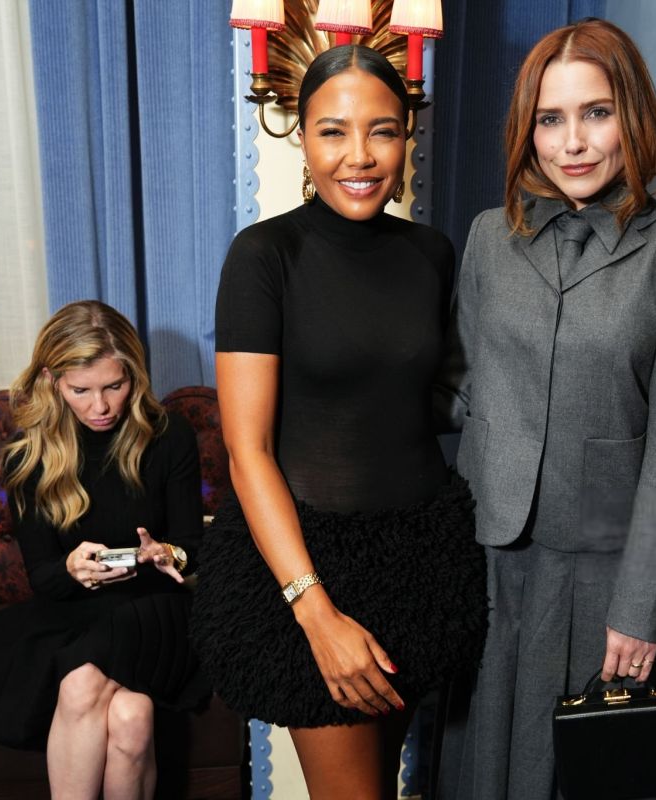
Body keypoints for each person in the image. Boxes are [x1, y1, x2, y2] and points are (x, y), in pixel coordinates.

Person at [436, 18, 656, 800]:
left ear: (633, 116)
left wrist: (641, 606)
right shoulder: (489, 237)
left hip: (609, 574)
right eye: (550, 119)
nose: (573, 142)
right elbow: (462, 385)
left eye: (595, 113)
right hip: (494, 562)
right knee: (483, 774)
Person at [191, 45, 486, 800]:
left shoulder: (432, 252)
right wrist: (315, 613)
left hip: (422, 558)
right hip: (308, 567)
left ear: (407, 138)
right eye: (333, 131)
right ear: (302, 136)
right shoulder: (263, 257)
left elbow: (433, 393)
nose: (359, 156)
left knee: (387, 785)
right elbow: (246, 449)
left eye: (382, 131)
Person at [0, 300, 207, 800]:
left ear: (134, 373)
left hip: (156, 613)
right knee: (132, 717)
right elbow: (43, 578)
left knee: (81, 685)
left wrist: (166, 553)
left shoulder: (170, 437)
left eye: (115, 385)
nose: (101, 406)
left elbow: (192, 548)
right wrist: (71, 569)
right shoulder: (29, 455)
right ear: (52, 381)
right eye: (80, 391)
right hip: (75, 615)